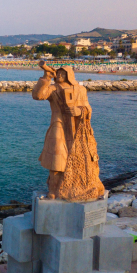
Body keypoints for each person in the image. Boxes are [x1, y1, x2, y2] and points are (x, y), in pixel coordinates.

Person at [32, 64, 104, 201]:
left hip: (77, 131)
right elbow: (38, 95)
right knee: (56, 161)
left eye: (62, 74)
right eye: (58, 73)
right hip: (58, 126)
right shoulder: (53, 88)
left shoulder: (80, 89)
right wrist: (46, 77)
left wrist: (79, 111)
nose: (59, 76)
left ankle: (73, 187)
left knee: (77, 159)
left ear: (69, 76)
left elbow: (88, 108)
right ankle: (53, 191)